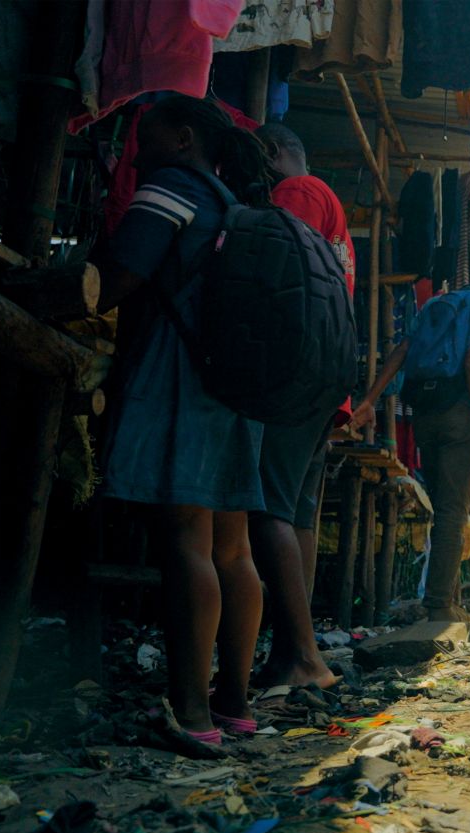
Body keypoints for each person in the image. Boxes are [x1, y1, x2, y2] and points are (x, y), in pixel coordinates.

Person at [92, 95, 278, 745]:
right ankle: (233, 702)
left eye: (147, 133)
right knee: (233, 549)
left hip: (182, 377)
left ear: (181, 137)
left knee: (186, 544)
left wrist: (51, 292)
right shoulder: (232, 205)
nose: (135, 148)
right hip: (233, 387)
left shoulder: (172, 186)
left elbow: (121, 274)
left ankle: (192, 716)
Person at [248, 123, 354, 691]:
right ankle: (295, 649)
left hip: (296, 373)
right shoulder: (324, 201)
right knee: (297, 514)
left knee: (267, 506)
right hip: (321, 378)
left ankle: (303, 655)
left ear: (272, 155)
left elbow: (283, 275)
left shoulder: (298, 194)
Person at [353, 268, 470, 623]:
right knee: (453, 513)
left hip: (423, 415)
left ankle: (444, 599)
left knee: (442, 512)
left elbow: (401, 350)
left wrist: (368, 399)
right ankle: (439, 607)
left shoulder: (435, 302)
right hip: (458, 414)